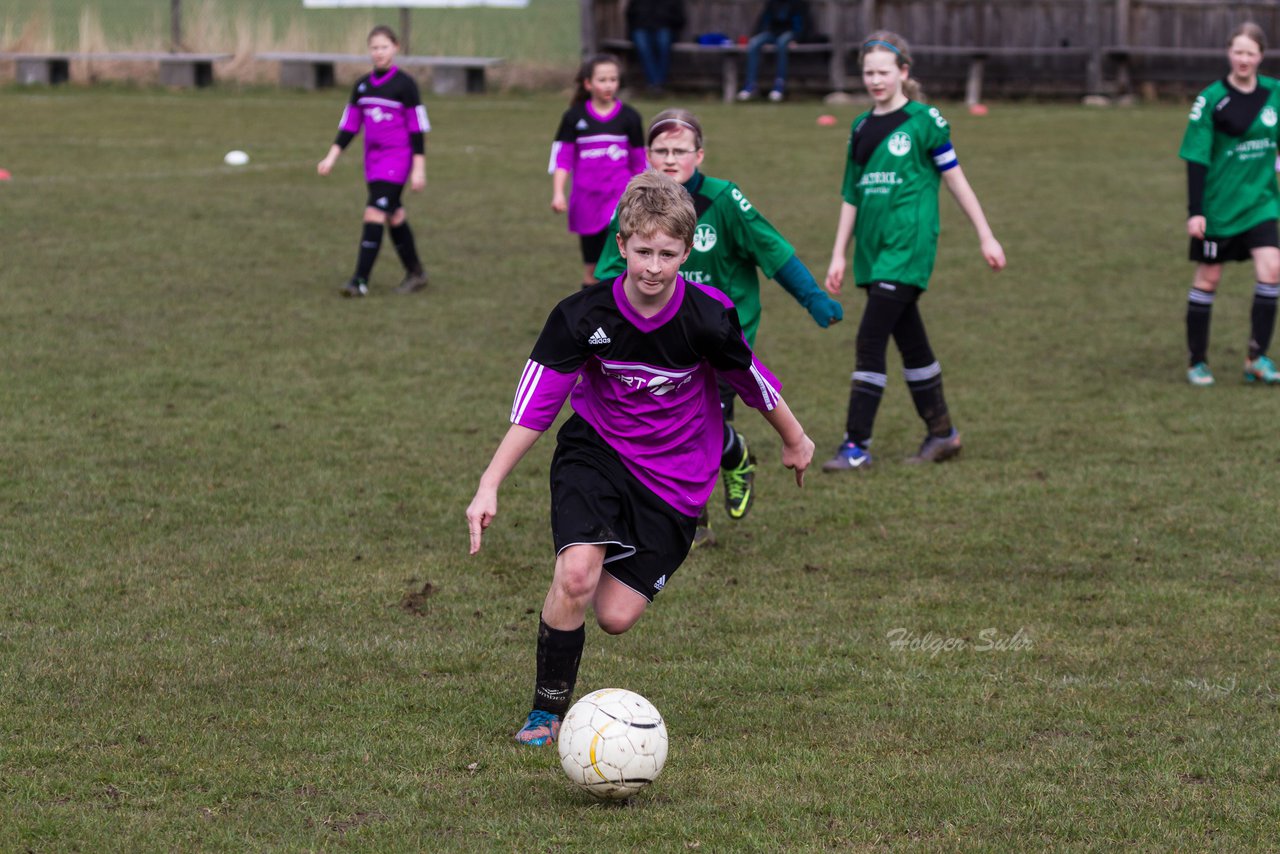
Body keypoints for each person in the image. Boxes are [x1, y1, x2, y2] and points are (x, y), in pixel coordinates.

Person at [466, 171, 815, 746]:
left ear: (689, 248)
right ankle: (546, 711)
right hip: (596, 452)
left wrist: (795, 438)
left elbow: (752, 382)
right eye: (644, 251)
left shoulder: (706, 317)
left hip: (676, 478)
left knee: (614, 617)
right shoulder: (581, 316)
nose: (654, 266)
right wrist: (489, 483)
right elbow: (535, 408)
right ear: (622, 245)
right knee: (576, 574)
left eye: (668, 254)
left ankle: (592, 570)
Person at [594, 109, 842, 547]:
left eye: (680, 151)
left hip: (719, 339)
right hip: (655, 340)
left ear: (700, 154)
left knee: (696, 429)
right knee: (670, 425)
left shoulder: (725, 200)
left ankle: (693, 521)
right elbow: (611, 270)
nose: (670, 160)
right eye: (661, 151)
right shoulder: (635, 202)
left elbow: (773, 251)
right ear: (647, 154)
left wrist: (812, 297)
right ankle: (734, 456)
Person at [821, 32, 1005, 472]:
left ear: (903, 72)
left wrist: (986, 234)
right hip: (872, 250)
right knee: (910, 341)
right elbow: (851, 194)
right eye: (868, 72)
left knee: (870, 339)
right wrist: (838, 254)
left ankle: (855, 446)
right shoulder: (861, 126)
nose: (875, 80)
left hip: (908, 247)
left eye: (884, 71)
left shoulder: (925, 121)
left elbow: (956, 179)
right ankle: (942, 433)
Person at [1179, 21, 1280, 386]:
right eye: (1237, 51)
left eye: (1250, 53)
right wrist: (1196, 212)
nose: (1243, 59)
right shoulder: (1209, 100)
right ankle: (1197, 362)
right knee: (1209, 278)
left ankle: (1257, 358)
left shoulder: (1275, 93)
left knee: (1272, 269)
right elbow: (1196, 157)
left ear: (1260, 57)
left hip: (1261, 203)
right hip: (1219, 206)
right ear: (1228, 53)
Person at [317, 25, 430, 298]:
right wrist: (331, 156)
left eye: (384, 47)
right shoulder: (362, 86)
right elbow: (350, 125)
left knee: (374, 213)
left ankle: (359, 281)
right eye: (374, 48)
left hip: (398, 160)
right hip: (373, 162)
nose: (379, 53)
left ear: (395, 48)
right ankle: (416, 273)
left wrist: (418, 168)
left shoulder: (405, 85)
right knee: (394, 215)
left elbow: (417, 129)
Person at [550, 54, 647, 289]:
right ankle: (593, 317)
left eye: (613, 79)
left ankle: (624, 316)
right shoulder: (574, 117)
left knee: (622, 264)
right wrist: (558, 193)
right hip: (587, 202)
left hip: (620, 201)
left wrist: (645, 195)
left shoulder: (629, 117)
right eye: (602, 80)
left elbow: (639, 163)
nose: (608, 85)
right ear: (588, 83)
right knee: (592, 269)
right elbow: (563, 157)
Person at [735, 0, 811, 102]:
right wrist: (756, 35)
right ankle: (750, 85)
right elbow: (763, 21)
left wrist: (797, 39)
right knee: (754, 43)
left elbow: (803, 25)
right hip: (773, 33)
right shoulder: (772, 3)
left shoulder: (798, 3)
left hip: (790, 34)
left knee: (782, 42)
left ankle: (779, 85)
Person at [626, 0, 686, 95]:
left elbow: (680, 18)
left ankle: (657, 83)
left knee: (663, 44)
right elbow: (630, 15)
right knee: (643, 47)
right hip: (641, 27)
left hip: (665, 27)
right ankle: (655, 83)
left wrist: (667, 22)